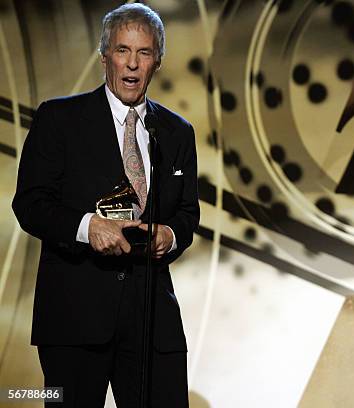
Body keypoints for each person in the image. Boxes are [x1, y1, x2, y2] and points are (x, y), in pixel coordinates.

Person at [12, 3, 199, 407]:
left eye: (144, 53)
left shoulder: (178, 133)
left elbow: (187, 214)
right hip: (76, 319)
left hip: (153, 320)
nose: (132, 64)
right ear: (104, 57)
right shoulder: (58, 119)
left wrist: (170, 234)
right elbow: (29, 203)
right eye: (122, 51)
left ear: (157, 62)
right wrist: (86, 227)